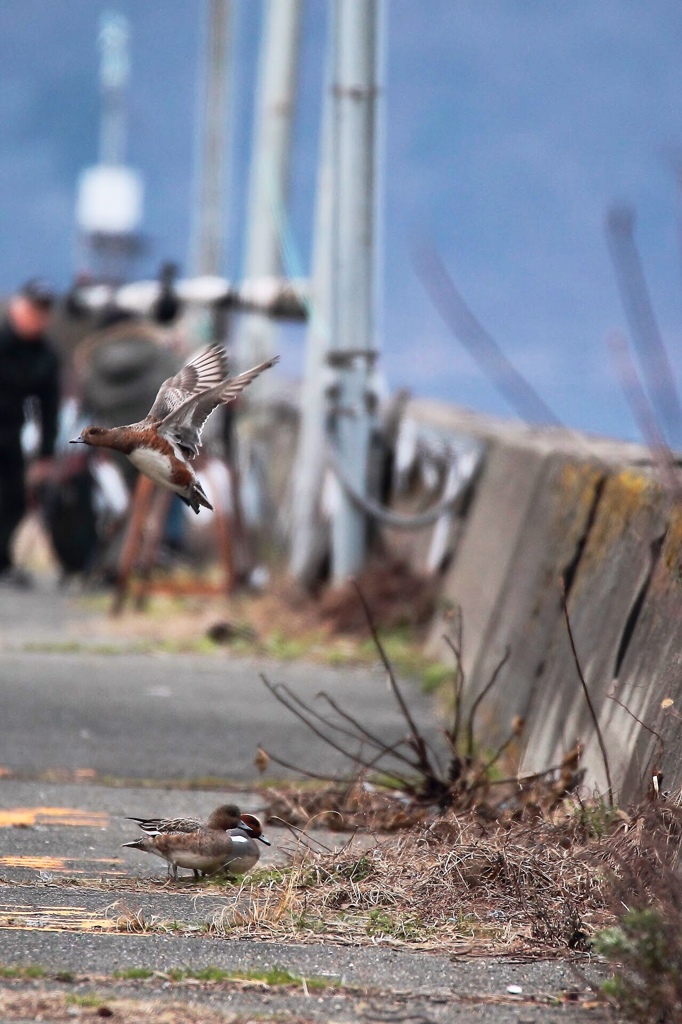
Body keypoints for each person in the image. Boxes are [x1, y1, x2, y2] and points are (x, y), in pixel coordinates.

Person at [0, 279, 60, 586]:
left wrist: (46, 455)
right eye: (33, 310)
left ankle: (3, 560)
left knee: (14, 499)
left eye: (44, 313)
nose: (38, 318)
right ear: (17, 306)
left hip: (10, 433)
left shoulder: (44, 355)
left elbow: (49, 407)